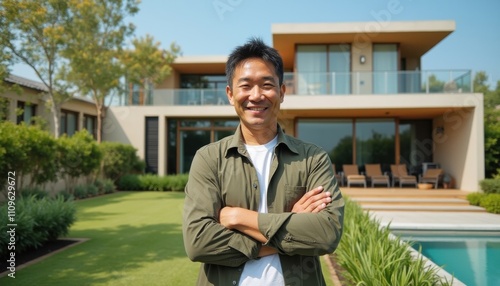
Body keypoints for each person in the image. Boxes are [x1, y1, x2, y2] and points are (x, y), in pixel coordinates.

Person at [182, 38, 344, 286]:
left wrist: (239, 217)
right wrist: (292, 220)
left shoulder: (313, 159)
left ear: (281, 92)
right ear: (230, 94)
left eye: (267, 85)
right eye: (245, 86)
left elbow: (326, 235)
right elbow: (198, 243)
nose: (256, 96)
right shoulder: (210, 158)